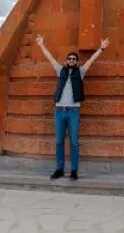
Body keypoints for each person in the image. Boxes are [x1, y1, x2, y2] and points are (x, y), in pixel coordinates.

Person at [35, 34, 109, 180]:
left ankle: (74, 170)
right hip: (59, 112)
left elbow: (91, 60)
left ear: (76, 62)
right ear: (66, 61)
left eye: (74, 59)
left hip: (73, 112)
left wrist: (101, 48)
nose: (71, 61)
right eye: (69, 59)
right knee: (59, 141)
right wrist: (41, 45)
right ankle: (59, 169)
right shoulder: (59, 70)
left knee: (74, 142)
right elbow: (49, 57)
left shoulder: (80, 72)